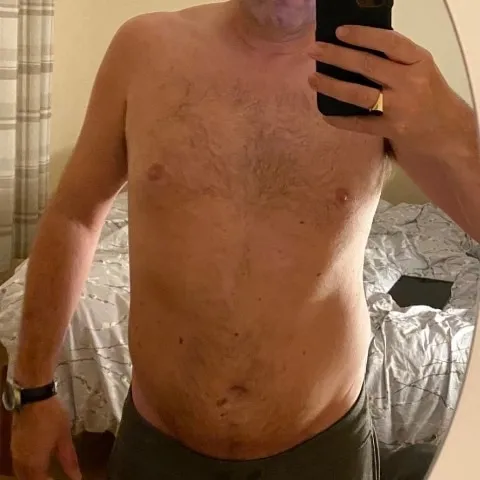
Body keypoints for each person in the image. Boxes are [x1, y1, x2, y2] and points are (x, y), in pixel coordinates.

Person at [8, 1, 479, 479]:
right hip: (157, 448)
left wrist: (457, 129)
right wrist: (33, 390)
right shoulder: (143, 49)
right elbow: (74, 214)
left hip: (322, 451)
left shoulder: (381, 77)